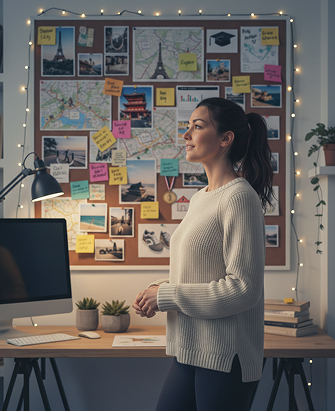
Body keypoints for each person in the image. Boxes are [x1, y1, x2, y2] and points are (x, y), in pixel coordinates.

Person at [133, 97, 274, 411]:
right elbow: (200, 272)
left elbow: (243, 289)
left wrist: (166, 296)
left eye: (197, 126)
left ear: (225, 139)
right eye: (187, 126)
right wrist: (157, 291)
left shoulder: (240, 197)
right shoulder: (200, 198)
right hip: (190, 349)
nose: (186, 135)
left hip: (225, 358)